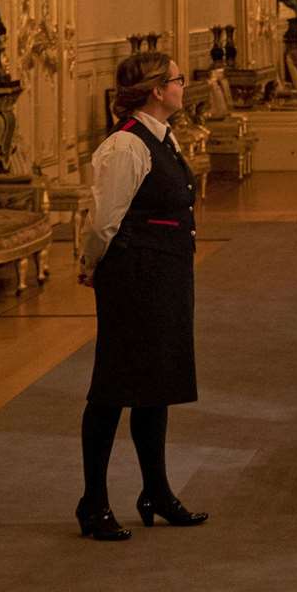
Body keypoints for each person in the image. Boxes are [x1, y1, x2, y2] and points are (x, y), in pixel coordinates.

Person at [75, 53, 208, 540]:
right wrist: (90, 264)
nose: (182, 85)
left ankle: (155, 490)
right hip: (133, 277)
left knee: (157, 384)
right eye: (176, 79)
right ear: (156, 89)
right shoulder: (126, 146)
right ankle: (93, 502)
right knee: (113, 387)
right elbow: (105, 220)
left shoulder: (162, 138)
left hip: (164, 274)